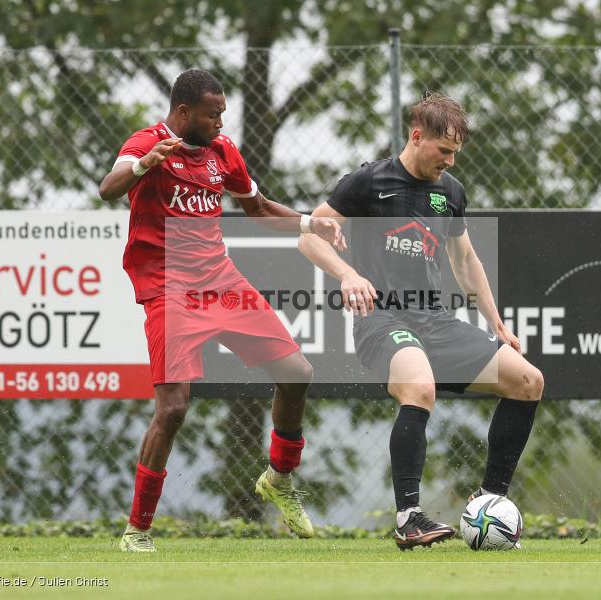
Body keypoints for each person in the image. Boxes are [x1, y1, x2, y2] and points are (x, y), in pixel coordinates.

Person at [99, 69, 345, 552]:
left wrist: (311, 223)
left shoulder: (222, 152)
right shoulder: (147, 142)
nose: (220, 121)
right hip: (168, 287)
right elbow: (109, 187)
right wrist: (146, 163)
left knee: (297, 371)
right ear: (184, 112)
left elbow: (257, 208)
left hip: (219, 282)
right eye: (213, 114)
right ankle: (138, 530)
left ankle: (278, 478)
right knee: (172, 410)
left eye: (223, 113)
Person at [298, 92, 544, 551]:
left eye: (455, 154)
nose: (449, 162)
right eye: (443, 151)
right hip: (382, 320)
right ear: (417, 136)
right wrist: (347, 274)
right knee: (421, 387)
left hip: (436, 322)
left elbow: (465, 259)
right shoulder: (368, 182)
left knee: (528, 380)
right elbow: (309, 237)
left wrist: (498, 325)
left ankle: (490, 504)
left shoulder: (449, 192)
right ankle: (409, 518)